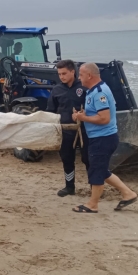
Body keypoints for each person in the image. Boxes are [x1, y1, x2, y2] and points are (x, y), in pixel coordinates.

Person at [71, 62, 137, 213]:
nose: (78, 77)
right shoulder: (93, 90)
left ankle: (92, 205)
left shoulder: (100, 92)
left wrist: (83, 118)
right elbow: (95, 113)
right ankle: (128, 193)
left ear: (89, 75)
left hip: (103, 138)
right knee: (101, 170)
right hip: (99, 137)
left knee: (96, 171)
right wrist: (81, 115)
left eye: (80, 74)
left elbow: (104, 118)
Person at [46, 59, 89, 197]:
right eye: (59, 74)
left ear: (73, 72)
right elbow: (50, 111)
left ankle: (94, 186)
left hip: (84, 131)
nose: (61, 76)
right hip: (65, 131)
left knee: (88, 159)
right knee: (67, 158)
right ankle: (69, 186)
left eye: (64, 73)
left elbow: (94, 108)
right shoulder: (56, 90)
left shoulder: (84, 88)